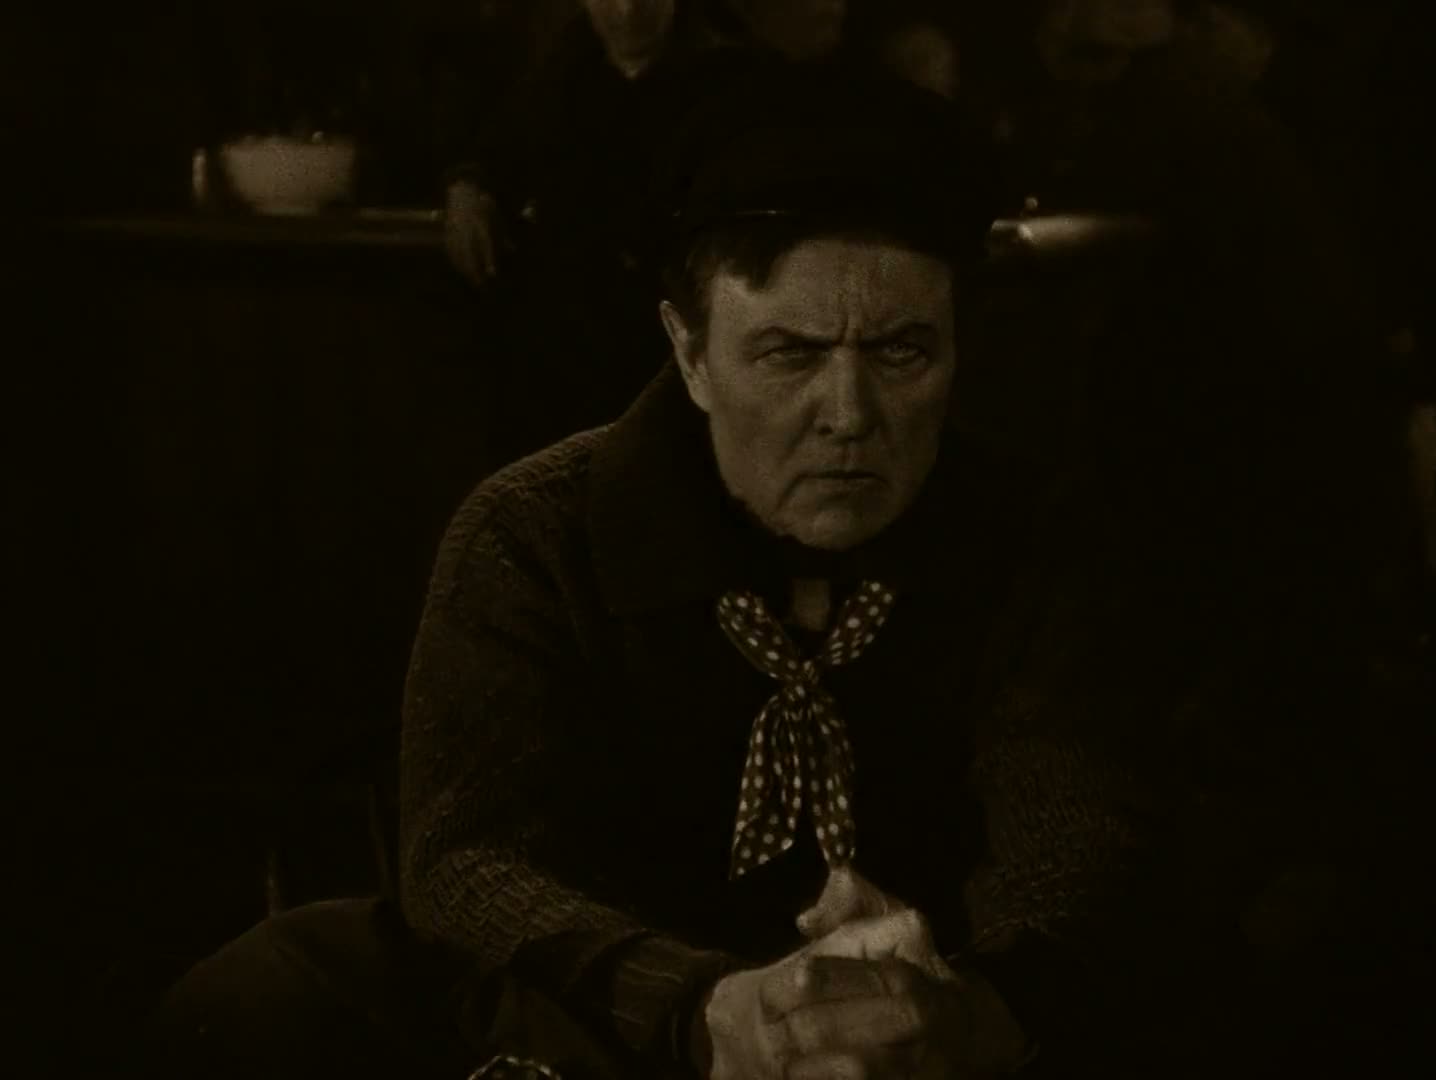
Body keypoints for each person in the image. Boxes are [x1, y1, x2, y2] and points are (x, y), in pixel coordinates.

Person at [144, 60, 1423, 1080]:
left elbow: (1071, 832)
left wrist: (966, 1006)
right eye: (788, 354)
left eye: (902, 353)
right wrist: (704, 1012)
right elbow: (470, 864)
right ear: (689, 353)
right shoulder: (533, 531)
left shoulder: (1031, 534)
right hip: (608, 1018)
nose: (848, 416)